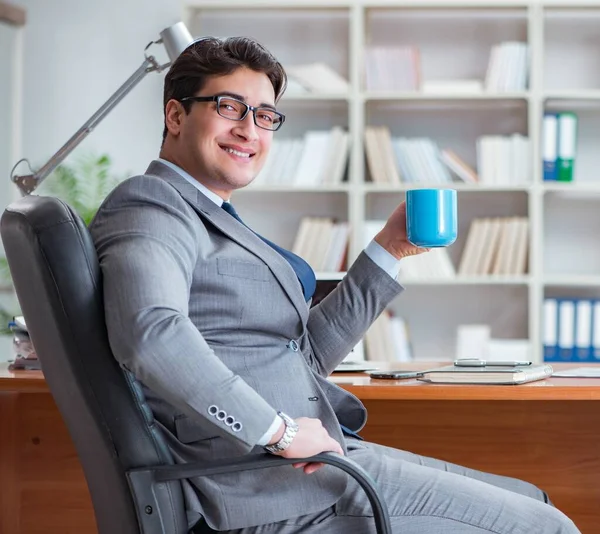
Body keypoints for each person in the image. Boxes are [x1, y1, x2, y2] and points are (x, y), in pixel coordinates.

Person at [89, 36, 580, 534]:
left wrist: (388, 249)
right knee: (549, 527)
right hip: (265, 487)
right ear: (175, 116)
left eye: (264, 115)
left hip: (314, 462)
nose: (248, 129)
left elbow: (300, 357)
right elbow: (149, 333)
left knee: (529, 497)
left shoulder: (213, 214)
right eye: (229, 107)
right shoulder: (152, 204)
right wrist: (277, 433)